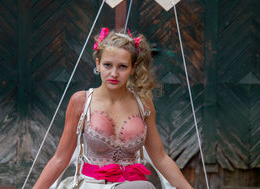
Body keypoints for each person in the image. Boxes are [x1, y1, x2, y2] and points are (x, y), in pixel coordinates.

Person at [33, 28, 193, 189]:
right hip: (93, 185)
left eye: (122, 66)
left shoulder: (143, 103)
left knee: (140, 187)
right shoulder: (81, 101)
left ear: (133, 68)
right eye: (107, 65)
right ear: (98, 64)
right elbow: (60, 159)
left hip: (132, 186)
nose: (114, 73)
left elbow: (160, 158)